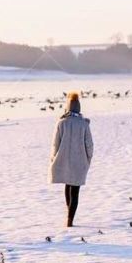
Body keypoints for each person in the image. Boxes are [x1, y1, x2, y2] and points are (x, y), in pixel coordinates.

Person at [50, 91, 94, 227]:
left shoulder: (61, 123)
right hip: (79, 161)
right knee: (75, 189)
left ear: (67, 106)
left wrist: (54, 158)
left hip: (63, 160)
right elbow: (89, 144)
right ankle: (70, 219)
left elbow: (55, 144)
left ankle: (68, 216)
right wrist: (88, 159)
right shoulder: (84, 124)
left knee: (67, 185)